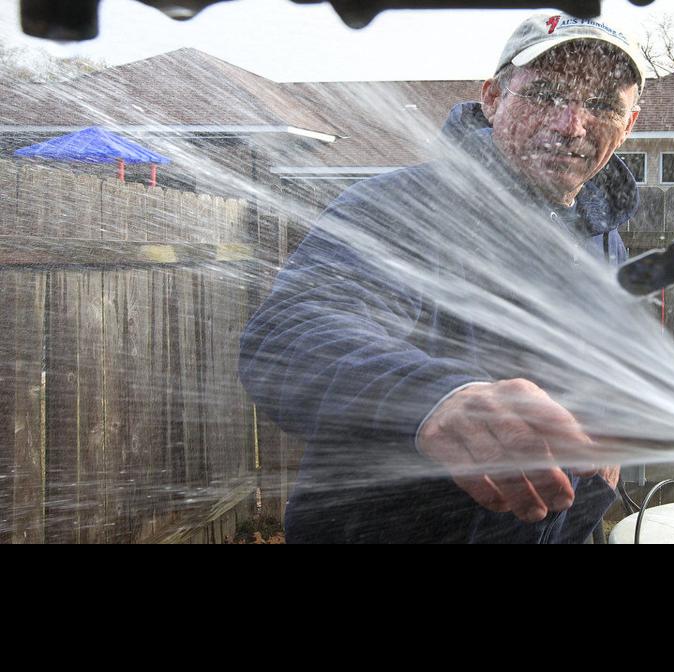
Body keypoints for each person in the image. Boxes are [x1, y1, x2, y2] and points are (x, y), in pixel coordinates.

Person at [239, 13, 646, 543]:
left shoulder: (600, 235)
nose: (571, 125)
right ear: (493, 97)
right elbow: (288, 336)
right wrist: (436, 396)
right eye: (545, 95)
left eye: (601, 106)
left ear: (629, 123)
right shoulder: (401, 207)